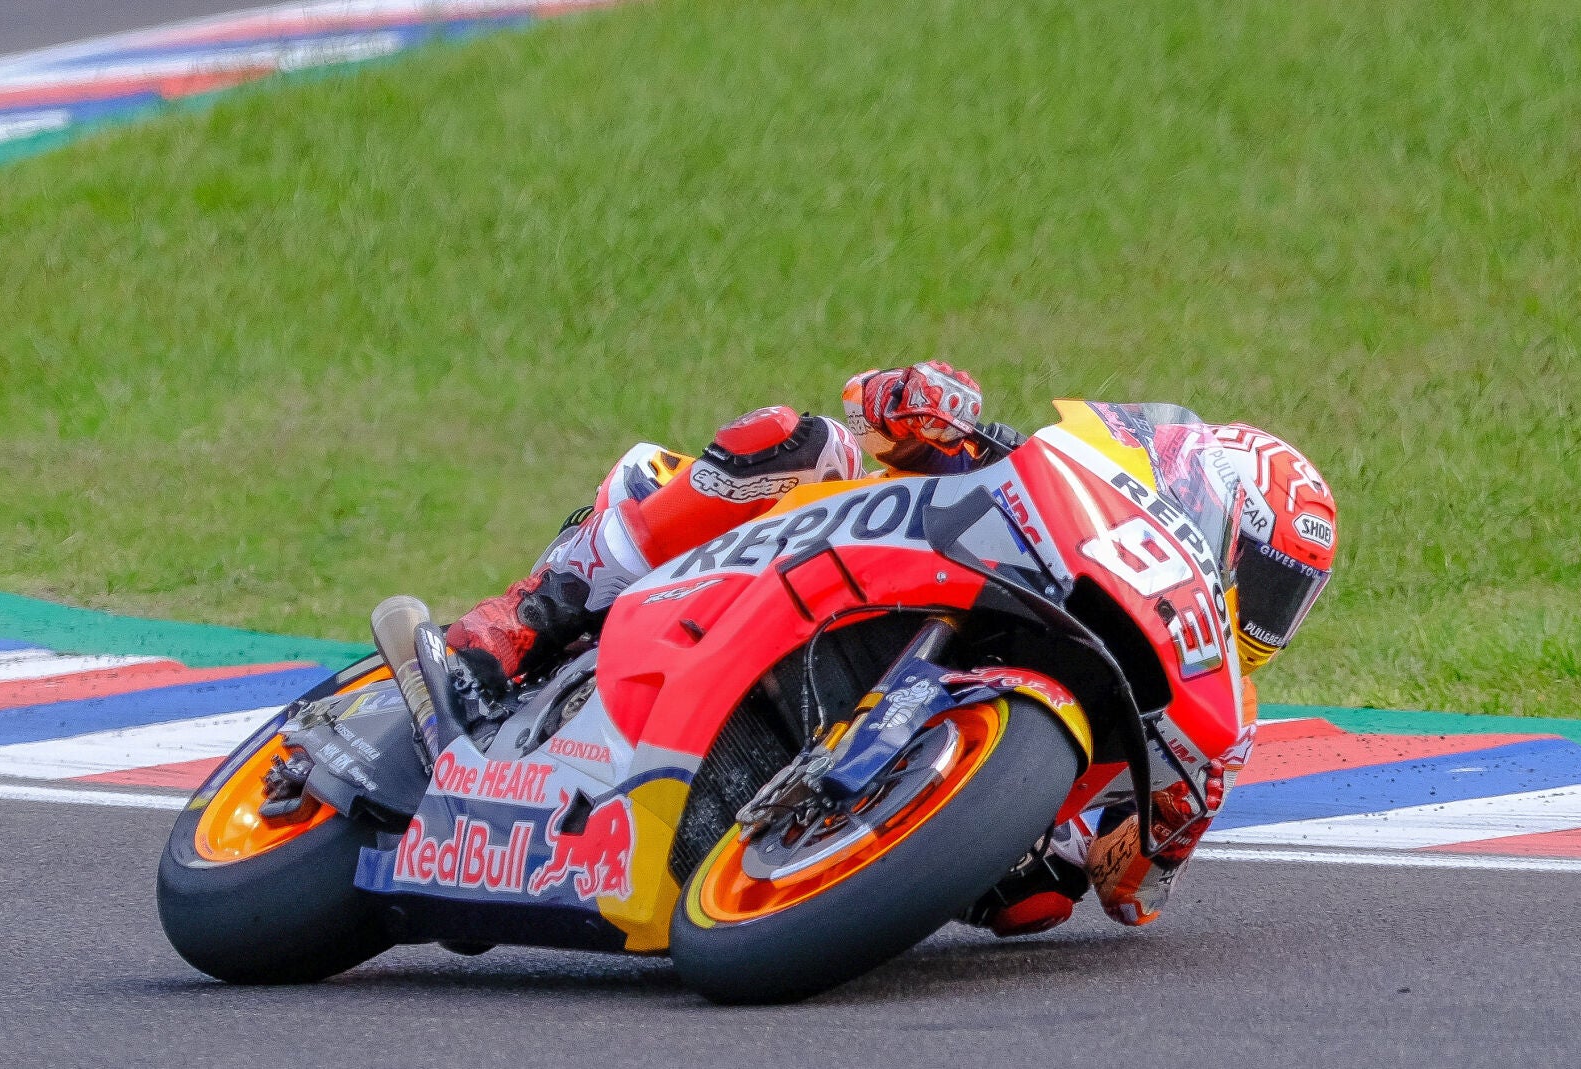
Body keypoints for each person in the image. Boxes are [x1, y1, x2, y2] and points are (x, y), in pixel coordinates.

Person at [437, 362, 1337, 934]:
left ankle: (831, 861)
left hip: (952, 757)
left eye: (1285, 600)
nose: (1263, 614)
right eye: (1261, 576)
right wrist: (916, 405)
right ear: (1205, 500)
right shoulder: (1062, 486)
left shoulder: (1218, 715)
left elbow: (1125, 894)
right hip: (831, 575)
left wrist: (1165, 835)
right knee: (796, 441)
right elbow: (874, 412)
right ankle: (518, 620)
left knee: (1037, 899)